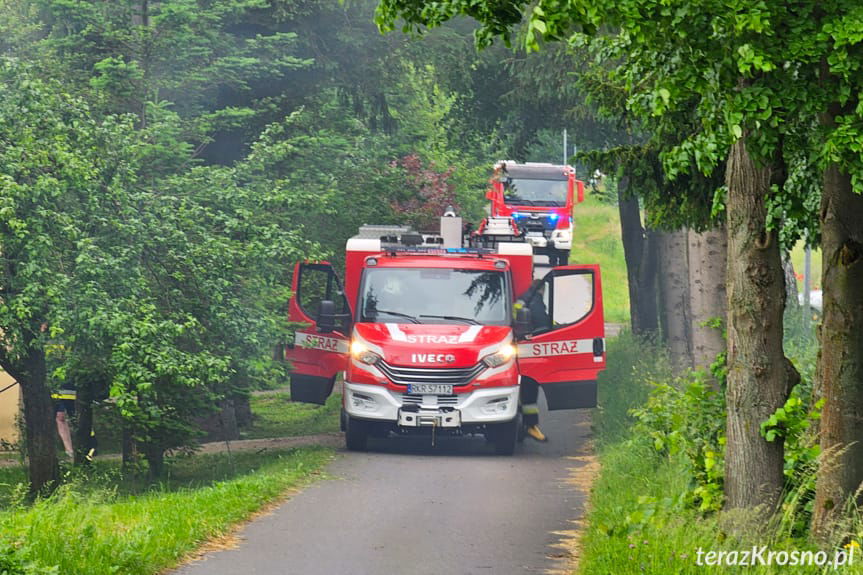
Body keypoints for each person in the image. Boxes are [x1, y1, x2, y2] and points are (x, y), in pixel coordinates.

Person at [514, 279, 551, 442]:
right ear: (541, 290)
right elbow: (542, 324)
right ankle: (530, 425)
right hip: (528, 351)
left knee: (519, 390)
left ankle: (520, 426)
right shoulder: (535, 301)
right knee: (529, 389)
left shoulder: (522, 299)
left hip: (513, 346)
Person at [52, 386, 76, 457]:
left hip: (72, 393)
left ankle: (90, 444)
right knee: (60, 417)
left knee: (76, 419)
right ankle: (69, 449)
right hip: (56, 393)